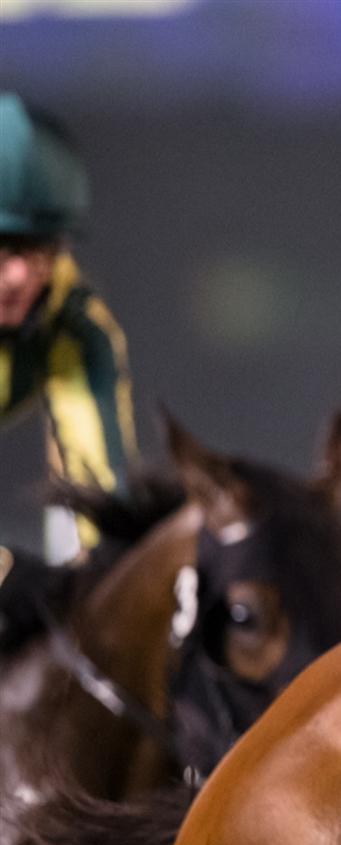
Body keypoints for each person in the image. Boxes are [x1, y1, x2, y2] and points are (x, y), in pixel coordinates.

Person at [0, 93, 137, 561]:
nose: (19, 277)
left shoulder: (73, 326)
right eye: (0, 247)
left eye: (40, 248)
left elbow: (99, 487)